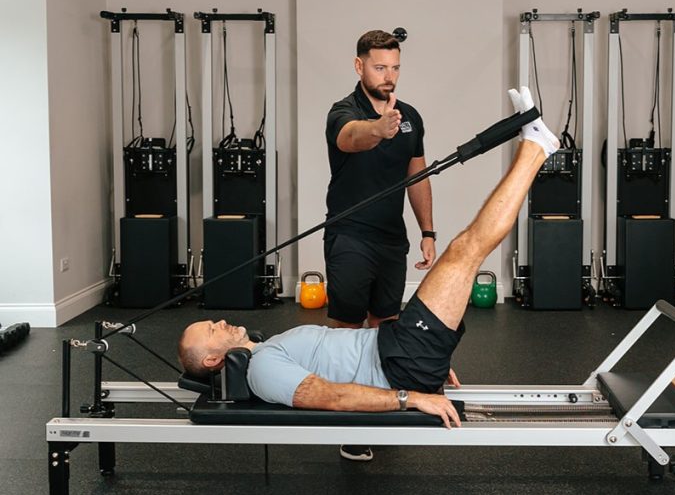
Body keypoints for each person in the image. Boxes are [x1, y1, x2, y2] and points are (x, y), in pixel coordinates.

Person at [178, 86, 559, 441]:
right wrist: (411, 396)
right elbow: (331, 397)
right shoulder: (263, 371)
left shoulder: (265, 351)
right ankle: (536, 146)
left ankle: (533, 141)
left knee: (465, 249)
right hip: (401, 363)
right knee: (466, 250)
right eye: (212, 329)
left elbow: (348, 352)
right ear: (214, 359)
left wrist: (424, 358)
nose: (220, 321)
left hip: (398, 348)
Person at [323, 29, 436, 332]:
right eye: (380, 68)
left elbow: (418, 176)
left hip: (392, 240)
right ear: (359, 66)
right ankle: (341, 382)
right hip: (349, 237)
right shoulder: (343, 111)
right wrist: (379, 129)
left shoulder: (410, 116)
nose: (389, 76)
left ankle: (378, 382)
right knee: (346, 327)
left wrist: (428, 232)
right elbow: (350, 138)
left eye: (395, 68)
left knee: (386, 324)